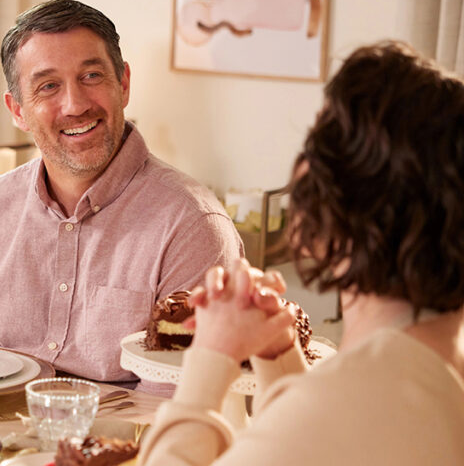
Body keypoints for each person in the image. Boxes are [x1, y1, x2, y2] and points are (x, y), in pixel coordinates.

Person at [140, 41, 464, 465]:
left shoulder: (347, 399)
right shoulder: (434, 373)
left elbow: (319, 424)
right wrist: (278, 352)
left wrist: (209, 362)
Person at [0, 0, 243, 383]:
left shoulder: (191, 225)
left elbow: (176, 406)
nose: (75, 104)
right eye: (48, 86)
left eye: (91, 77)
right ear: (17, 111)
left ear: (123, 84)